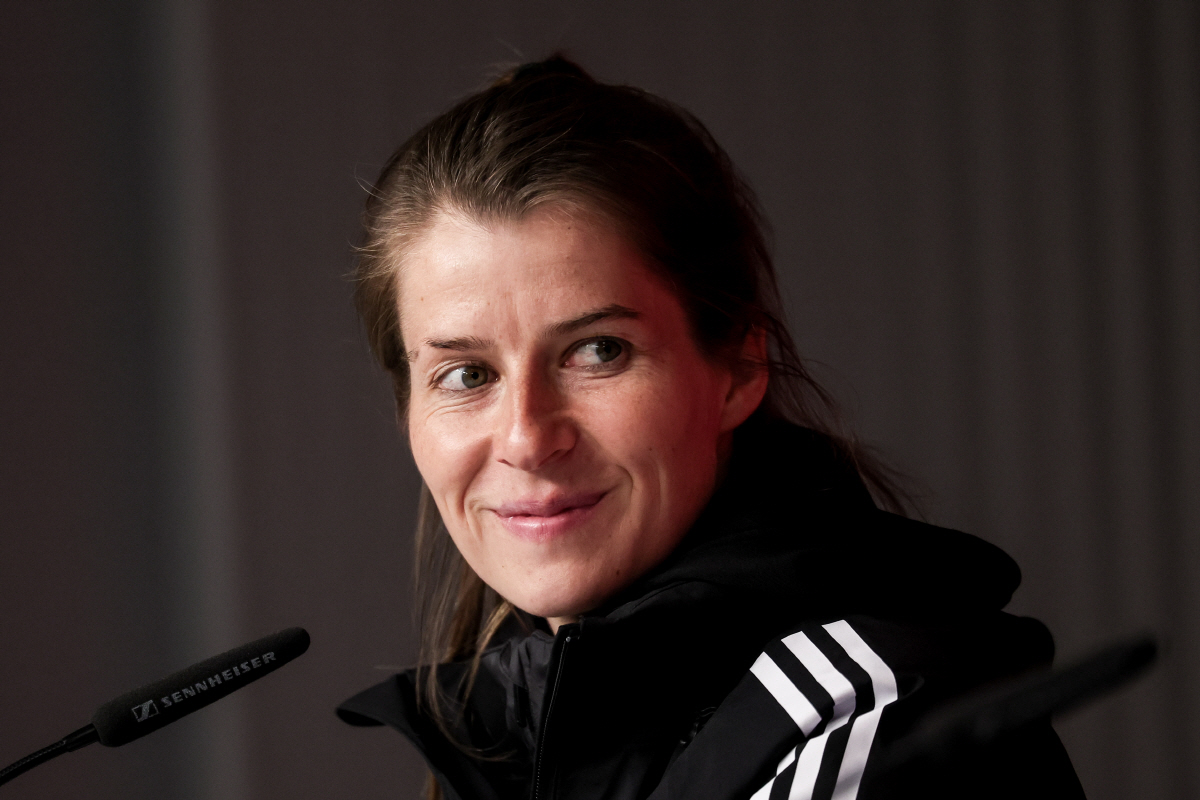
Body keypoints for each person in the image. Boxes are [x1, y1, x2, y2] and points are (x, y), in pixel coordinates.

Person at [337, 56, 1085, 800]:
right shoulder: (520, 724)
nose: (529, 437)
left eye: (599, 352)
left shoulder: (878, 738)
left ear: (737, 368)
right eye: (467, 375)